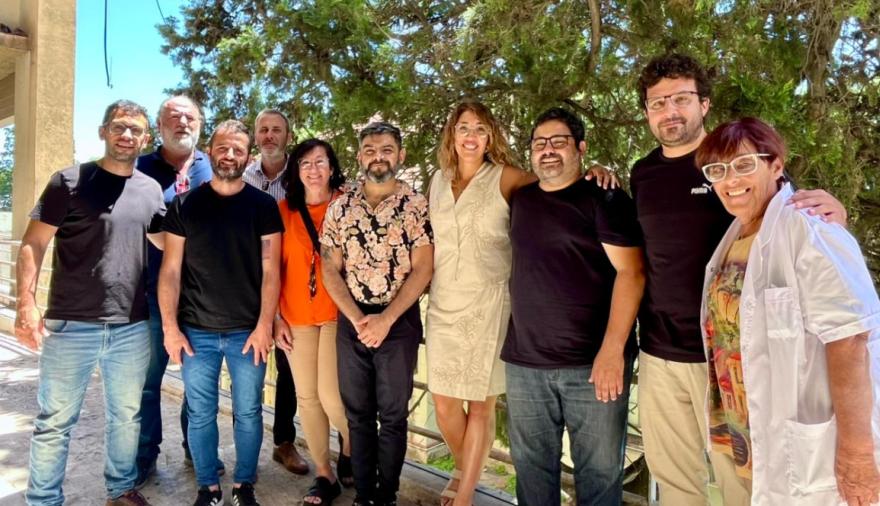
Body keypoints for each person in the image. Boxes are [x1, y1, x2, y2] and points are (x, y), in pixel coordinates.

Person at [630, 52, 848, 505]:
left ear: (703, 104)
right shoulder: (643, 173)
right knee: (673, 479)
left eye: (681, 99)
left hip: (731, 355)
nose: (670, 111)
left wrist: (835, 212)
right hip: (659, 350)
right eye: (658, 103)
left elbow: (791, 209)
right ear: (647, 112)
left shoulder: (733, 162)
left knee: (742, 481)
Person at [695, 117, 880, 506]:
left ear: (776, 165)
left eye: (744, 164)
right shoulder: (739, 233)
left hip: (803, 442)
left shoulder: (810, 229)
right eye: (717, 170)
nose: (730, 180)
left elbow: (851, 339)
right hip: (745, 431)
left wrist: (858, 453)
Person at [16, 99, 164, 506]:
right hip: (70, 326)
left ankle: (120, 489)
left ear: (145, 138)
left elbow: (167, 243)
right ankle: (43, 499)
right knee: (54, 422)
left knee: (127, 417)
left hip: (131, 326)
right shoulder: (68, 181)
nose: (127, 135)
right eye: (119, 126)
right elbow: (33, 242)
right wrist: (26, 304)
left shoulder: (151, 190)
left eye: (135, 129)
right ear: (103, 131)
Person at [501, 108, 644, 505]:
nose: (548, 150)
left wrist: (613, 351)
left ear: (580, 148)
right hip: (526, 364)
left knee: (599, 475)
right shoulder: (521, 200)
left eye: (559, 142)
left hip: (593, 366)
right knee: (531, 472)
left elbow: (632, 273)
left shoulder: (605, 198)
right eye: (539, 143)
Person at [159, 120, 283, 506]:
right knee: (200, 413)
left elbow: (271, 271)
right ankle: (208, 489)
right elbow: (171, 271)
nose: (230, 155)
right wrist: (170, 329)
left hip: (248, 332)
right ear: (210, 151)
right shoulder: (184, 205)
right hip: (196, 331)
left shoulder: (263, 206)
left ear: (248, 157)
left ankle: (244, 485)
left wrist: (264, 326)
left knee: (248, 412)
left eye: (238, 150)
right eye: (223, 148)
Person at [321, 121, 433, 506]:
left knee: (394, 416)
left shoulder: (416, 205)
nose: (378, 157)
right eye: (369, 150)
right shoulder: (341, 208)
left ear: (400, 155)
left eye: (386, 149)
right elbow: (329, 268)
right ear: (359, 157)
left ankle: (387, 496)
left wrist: (385, 320)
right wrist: (357, 319)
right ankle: (363, 495)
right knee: (358, 415)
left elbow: (424, 268)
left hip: (398, 322)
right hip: (352, 320)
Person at [426, 100, 524, 505]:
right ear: (452, 134)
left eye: (480, 129)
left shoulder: (508, 177)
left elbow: (558, 187)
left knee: (481, 404)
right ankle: (464, 469)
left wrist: (595, 172)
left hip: (490, 301)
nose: (471, 136)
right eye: (464, 127)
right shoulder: (437, 179)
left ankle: (465, 493)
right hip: (442, 301)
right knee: (443, 402)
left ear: (491, 137)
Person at [135, 94, 218, 486]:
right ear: (159, 125)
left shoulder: (214, 166)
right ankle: (144, 455)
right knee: (147, 383)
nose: (182, 123)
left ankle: (196, 449)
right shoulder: (139, 168)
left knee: (198, 385)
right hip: (151, 295)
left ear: (199, 124)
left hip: (203, 299)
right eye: (174, 117)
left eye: (190, 117)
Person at [274, 138, 353, 504]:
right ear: (296, 170)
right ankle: (325, 474)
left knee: (332, 396)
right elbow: (271, 269)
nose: (313, 169)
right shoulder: (283, 211)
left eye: (320, 162)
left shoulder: (348, 204)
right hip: (296, 315)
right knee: (307, 398)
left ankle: (352, 446)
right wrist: (275, 317)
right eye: (305, 163)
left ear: (332, 167)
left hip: (338, 312)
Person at [242, 108, 309, 475]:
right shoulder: (242, 176)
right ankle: (241, 446)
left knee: (289, 368)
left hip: (288, 286)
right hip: (243, 286)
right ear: (256, 136)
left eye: (276, 130)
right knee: (245, 367)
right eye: (263, 130)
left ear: (288, 136)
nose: (269, 135)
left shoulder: (301, 178)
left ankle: (283, 442)